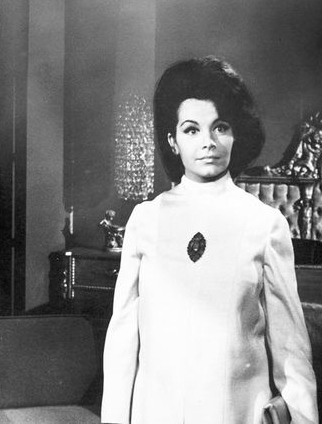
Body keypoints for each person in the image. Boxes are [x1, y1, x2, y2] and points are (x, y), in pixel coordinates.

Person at [101, 56, 318, 424]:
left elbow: (290, 347)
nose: (208, 142)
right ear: (172, 141)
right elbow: (123, 340)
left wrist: (301, 416)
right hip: (157, 413)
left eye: (220, 127)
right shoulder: (145, 220)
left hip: (238, 413)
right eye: (191, 130)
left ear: (235, 134)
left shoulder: (264, 223)